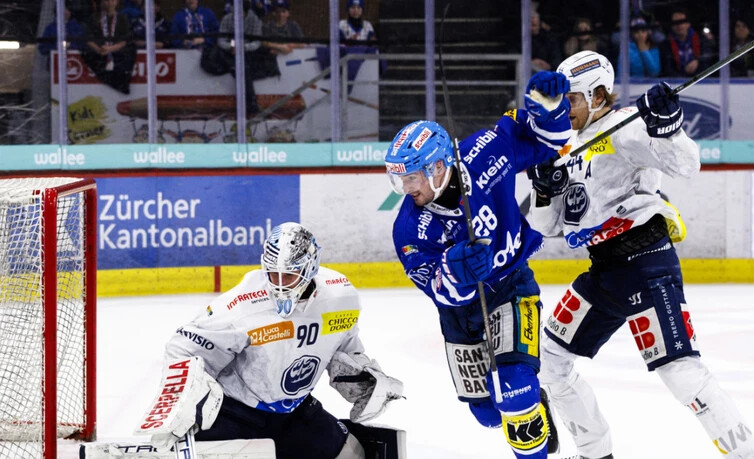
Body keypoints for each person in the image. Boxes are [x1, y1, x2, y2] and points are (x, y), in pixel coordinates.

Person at [526, 50, 754, 458]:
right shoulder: (566, 143)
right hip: (604, 272)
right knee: (549, 362)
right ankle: (595, 454)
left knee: (681, 374)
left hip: (645, 263)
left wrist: (669, 127)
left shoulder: (626, 129)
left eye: (573, 99)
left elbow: (687, 165)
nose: (564, 108)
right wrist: (545, 189)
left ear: (598, 95)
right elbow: (547, 227)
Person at [383, 69, 574, 458]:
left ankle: (526, 404)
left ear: (438, 167)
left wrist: (550, 110)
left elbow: (549, 143)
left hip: (510, 284)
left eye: (412, 178)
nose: (406, 189)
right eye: (399, 180)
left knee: (514, 392)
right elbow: (440, 293)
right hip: (462, 314)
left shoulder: (487, 150)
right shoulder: (409, 231)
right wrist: (456, 272)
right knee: (488, 413)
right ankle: (533, 399)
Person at [141, 222, 405, 458]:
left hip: (296, 411)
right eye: (272, 274)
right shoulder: (241, 305)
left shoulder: (340, 297)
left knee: (354, 454)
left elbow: (345, 347)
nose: (279, 284)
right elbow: (183, 348)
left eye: (288, 275)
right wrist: (185, 402)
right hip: (236, 412)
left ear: (310, 267)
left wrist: (360, 377)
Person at [81, 0, 136, 94]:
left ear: (117, 2)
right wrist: (98, 49)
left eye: (112, 0)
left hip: (118, 56)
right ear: (102, 2)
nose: (109, 3)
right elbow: (88, 39)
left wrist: (111, 49)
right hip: (98, 56)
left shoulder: (123, 18)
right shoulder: (94, 18)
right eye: (107, 0)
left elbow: (126, 40)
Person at [659, 8, 715, 77]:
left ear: (688, 23)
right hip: (678, 82)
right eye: (675, 23)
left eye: (682, 22)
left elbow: (708, 55)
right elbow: (668, 68)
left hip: (701, 80)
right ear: (671, 25)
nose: (679, 26)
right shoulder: (666, 44)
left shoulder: (701, 39)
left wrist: (698, 60)